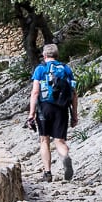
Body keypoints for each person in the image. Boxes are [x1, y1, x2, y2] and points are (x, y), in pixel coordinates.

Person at [28, 43, 78, 182]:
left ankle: (47, 173)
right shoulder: (66, 69)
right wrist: (74, 115)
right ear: (57, 55)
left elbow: (35, 92)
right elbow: (74, 94)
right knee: (59, 141)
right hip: (62, 108)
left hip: (44, 108)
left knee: (44, 140)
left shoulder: (40, 69)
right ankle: (65, 156)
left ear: (44, 56)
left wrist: (31, 114)